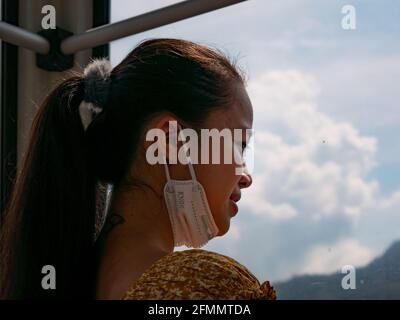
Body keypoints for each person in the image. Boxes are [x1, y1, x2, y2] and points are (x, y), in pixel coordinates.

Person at [0, 38, 276, 300]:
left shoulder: (65, 277)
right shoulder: (200, 286)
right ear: (171, 141)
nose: (246, 176)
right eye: (238, 145)